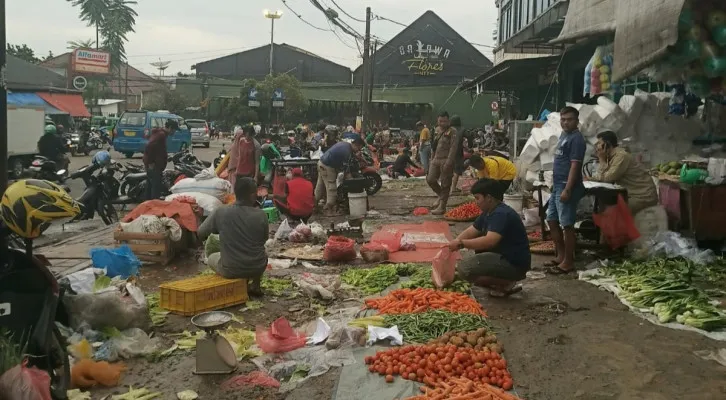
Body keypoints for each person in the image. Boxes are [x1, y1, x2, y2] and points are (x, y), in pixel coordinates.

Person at [448, 179, 531, 297]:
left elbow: (490, 241)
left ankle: (507, 282)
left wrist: (461, 244)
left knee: (464, 270)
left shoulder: (501, 214)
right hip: (503, 255)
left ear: (489, 198)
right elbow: (472, 230)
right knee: (464, 267)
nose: (476, 202)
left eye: (477, 198)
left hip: (514, 263)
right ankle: (500, 280)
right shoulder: (489, 212)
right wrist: (455, 242)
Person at [198, 177, 269, 296]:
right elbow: (264, 239)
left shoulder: (220, 212)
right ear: (252, 195)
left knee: (212, 257)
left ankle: (233, 289)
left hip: (231, 269)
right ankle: (256, 284)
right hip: (257, 266)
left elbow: (201, 233)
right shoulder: (261, 215)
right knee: (260, 252)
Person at [545, 106, 586, 275]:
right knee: (551, 220)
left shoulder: (577, 139)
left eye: (569, 119)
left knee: (567, 224)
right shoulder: (564, 135)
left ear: (576, 121)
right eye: (563, 119)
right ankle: (560, 255)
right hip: (557, 185)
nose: (565, 122)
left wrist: (568, 189)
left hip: (568, 186)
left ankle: (568, 261)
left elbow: (575, 166)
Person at [588, 131, 658, 214]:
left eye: (599, 143)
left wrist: (602, 160)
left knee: (612, 211)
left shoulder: (621, 156)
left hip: (643, 196)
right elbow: (601, 176)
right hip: (630, 195)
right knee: (604, 205)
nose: (597, 147)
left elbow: (608, 178)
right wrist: (590, 178)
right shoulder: (611, 157)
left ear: (607, 144)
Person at [316, 137, 365, 214]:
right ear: (356, 145)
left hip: (321, 163)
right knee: (331, 188)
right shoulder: (347, 151)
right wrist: (352, 183)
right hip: (328, 166)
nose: (358, 151)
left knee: (320, 186)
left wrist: (359, 158)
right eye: (359, 148)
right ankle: (328, 209)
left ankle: (314, 205)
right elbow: (347, 172)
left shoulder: (346, 145)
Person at [427, 111, 459, 215]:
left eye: (444, 121)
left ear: (448, 121)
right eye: (440, 121)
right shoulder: (436, 130)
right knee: (430, 179)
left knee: (445, 184)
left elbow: (453, 148)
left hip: (446, 160)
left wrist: (449, 162)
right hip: (436, 159)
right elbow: (434, 146)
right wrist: (431, 160)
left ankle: (442, 207)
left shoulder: (453, 131)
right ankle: (441, 196)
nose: (442, 123)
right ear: (437, 120)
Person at [143, 119, 177, 200]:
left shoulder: (161, 134)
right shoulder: (161, 135)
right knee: (155, 189)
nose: (174, 132)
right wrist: (150, 162)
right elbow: (149, 146)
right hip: (154, 167)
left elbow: (157, 149)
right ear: (170, 128)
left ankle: (148, 206)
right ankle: (153, 207)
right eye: (174, 130)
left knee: (150, 188)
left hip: (154, 166)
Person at [450, 115, 467, 195]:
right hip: (458, 152)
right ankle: (453, 188)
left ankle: (450, 187)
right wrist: (469, 145)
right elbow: (469, 136)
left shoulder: (449, 129)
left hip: (449, 151)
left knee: (451, 169)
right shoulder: (462, 129)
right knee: (457, 169)